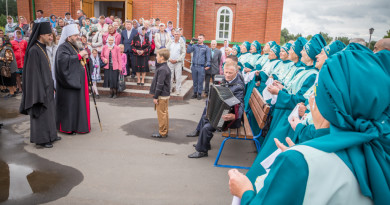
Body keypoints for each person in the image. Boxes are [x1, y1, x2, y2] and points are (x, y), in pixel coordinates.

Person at [229, 48, 390, 205]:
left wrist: (244, 191)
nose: (311, 99)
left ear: (330, 102)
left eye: (317, 91)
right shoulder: (378, 153)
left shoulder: (300, 161)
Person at [188, 62, 245, 158]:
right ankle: (204, 144)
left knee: (207, 127)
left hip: (230, 119)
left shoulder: (239, 86)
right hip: (223, 113)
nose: (227, 75)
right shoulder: (225, 80)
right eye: (226, 72)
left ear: (236, 72)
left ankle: (202, 151)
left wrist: (235, 116)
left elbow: (241, 103)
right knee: (205, 117)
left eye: (230, 73)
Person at [19, 22, 60, 148]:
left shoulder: (42, 47)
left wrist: (51, 85)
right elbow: (33, 75)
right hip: (39, 89)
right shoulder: (34, 50)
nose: (51, 37)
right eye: (49, 35)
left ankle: (51, 135)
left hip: (47, 88)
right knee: (41, 113)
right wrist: (39, 91)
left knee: (50, 113)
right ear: (41, 35)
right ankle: (42, 139)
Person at [55, 24, 90, 134]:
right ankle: (68, 127)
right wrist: (79, 56)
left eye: (77, 34)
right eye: (75, 35)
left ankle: (79, 125)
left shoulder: (75, 46)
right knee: (70, 106)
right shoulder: (62, 47)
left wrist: (86, 59)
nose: (78, 37)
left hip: (79, 81)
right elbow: (63, 62)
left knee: (79, 105)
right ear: (68, 37)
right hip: (68, 84)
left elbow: (80, 60)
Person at [150, 48, 171, 138]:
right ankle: (164, 131)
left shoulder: (162, 69)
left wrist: (155, 96)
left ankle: (162, 132)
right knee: (164, 113)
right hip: (165, 95)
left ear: (162, 57)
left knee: (161, 114)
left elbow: (160, 84)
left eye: (157, 56)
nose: (156, 57)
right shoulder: (164, 67)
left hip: (162, 95)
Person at [187, 34, 211, 100]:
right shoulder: (194, 46)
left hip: (201, 67)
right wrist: (191, 43)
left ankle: (199, 93)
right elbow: (188, 51)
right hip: (194, 66)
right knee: (195, 80)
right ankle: (195, 93)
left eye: (200, 38)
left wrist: (208, 65)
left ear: (203, 39)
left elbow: (208, 57)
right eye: (198, 38)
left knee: (200, 81)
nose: (199, 39)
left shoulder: (206, 48)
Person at [168, 28, 186, 95]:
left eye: (177, 34)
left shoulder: (181, 43)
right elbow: (167, 51)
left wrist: (177, 60)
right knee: (170, 76)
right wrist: (169, 59)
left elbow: (183, 53)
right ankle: (169, 89)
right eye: (175, 34)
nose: (176, 35)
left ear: (180, 35)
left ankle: (178, 90)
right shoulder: (170, 41)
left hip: (178, 62)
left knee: (178, 77)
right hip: (170, 62)